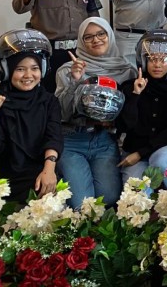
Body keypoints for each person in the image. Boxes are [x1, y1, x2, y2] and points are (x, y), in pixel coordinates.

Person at [56, 17, 135, 207]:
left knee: (108, 199)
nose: (96, 40)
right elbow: (60, 113)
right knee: (81, 204)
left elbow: (132, 113)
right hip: (72, 139)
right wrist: (75, 80)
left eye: (101, 34)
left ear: (110, 35)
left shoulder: (127, 70)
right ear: (81, 42)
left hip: (105, 139)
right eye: (88, 37)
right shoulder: (68, 69)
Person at [0, 29, 62, 202]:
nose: (28, 75)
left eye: (34, 68)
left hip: (40, 172)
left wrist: (49, 169)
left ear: (43, 70)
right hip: (1, 179)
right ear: (6, 71)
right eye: (20, 69)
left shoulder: (49, 101)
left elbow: (53, 136)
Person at [116, 30, 167, 188]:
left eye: (164, 60)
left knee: (162, 161)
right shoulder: (129, 87)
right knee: (134, 196)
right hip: (133, 148)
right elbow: (124, 125)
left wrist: (140, 154)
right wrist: (135, 95)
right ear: (143, 60)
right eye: (152, 59)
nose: (158, 65)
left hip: (162, 147)